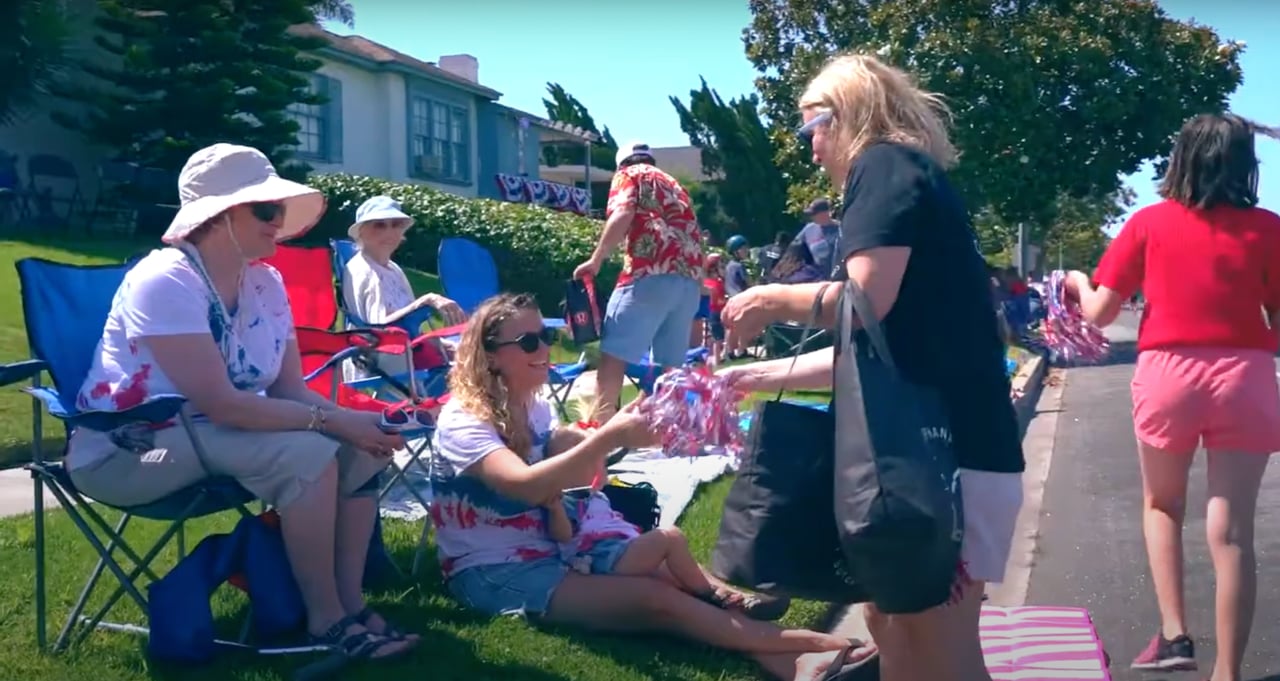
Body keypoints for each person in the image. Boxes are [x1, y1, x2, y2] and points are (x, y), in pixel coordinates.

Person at [717, 54, 1024, 681]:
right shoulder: (913, 174)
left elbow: (864, 301)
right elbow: (880, 347)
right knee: (896, 626)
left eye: (810, 131)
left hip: (950, 461)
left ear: (847, 114)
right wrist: (758, 377)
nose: (809, 151)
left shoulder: (880, 165)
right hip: (955, 450)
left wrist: (769, 299)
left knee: (943, 650)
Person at [69, 143, 417, 660]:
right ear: (216, 214)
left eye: (279, 209)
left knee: (362, 449)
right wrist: (331, 424)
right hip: (133, 450)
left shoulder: (266, 282)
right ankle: (325, 620)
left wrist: (355, 424)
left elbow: (289, 391)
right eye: (264, 209)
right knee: (308, 455)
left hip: (209, 433)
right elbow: (226, 404)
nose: (277, 221)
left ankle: (349, 601)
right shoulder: (166, 279)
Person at [430, 292, 875, 681]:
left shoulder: (534, 408)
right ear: (489, 356)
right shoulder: (464, 422)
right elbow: (523, 489)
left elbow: (581, 477)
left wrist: (615, 433)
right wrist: (609, 437)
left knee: (672, 589)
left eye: (544, 335)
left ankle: (795, 663)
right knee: (656, 601)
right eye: (529, 341)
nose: (545, 347)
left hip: (560, 545)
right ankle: (819, 644)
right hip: (497, 570)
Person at [1065, 113, 1280, 681]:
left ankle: (1174, 636)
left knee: (1163, 504)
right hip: (1246, 372)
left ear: (1180, 158)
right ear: (1245, 163)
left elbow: (1100, 312)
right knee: (1231, 529)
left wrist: (1076, 282)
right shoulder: (1269, 228)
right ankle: (1228, 672)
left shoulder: (1148, 223)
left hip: (1168, 372)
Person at [540, 426, 779, 617]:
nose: (601, 466)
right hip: (606, 560)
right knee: (669, 538)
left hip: (622, 553)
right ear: (566, 470)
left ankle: (739, 601)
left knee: (683, 569)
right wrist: (555, 510)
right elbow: (563, 536)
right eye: (594, 461)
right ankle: (711, 597)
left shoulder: (595, 494)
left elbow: (601, 489)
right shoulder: (567, 500)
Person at [572, 141, 704, 422]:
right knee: (670, 367)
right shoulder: (674, 184)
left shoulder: (629, 174)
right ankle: (661, 427)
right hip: (688, 280)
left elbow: (623, 212)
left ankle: (602, 430)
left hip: (648, 274)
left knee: (613, 357)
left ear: (621, 163)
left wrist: (596, 259)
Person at [341, 195, 466, 393]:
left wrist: (442, 345)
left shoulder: (393, 269)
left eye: (396, 225)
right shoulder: (363, 270)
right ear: (361, 232)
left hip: (405, 351)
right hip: (375, 357)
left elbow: (410, 324)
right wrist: (427, 300)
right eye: (379, 225)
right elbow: (382, 328)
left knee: (471, 355)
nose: (389, 232)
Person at [795, 198, 841, 277]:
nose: (812, 217)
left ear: (825, 213)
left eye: (814, 214)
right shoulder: (808, 229)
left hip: (839, 276)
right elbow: (795, 248)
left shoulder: (841, 228)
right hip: (817, 278)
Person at [703, 253, 728, 361]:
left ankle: (712, 357)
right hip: (716, 312)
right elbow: (717, 299)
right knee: (718, 338)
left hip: (715, 311)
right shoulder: (714, 283)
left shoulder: (714, 281)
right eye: (720, 265)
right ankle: (718, 359)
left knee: (716, 337)